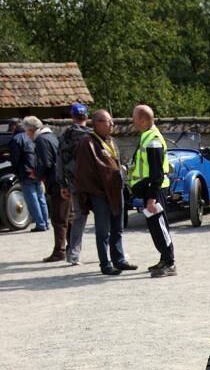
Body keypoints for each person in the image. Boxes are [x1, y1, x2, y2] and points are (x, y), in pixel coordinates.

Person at [74, 110, 137, 276]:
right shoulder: (87, 143)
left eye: (112, 121)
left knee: (118, 227)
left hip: (116, 190)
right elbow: (85, 171)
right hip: (100, 192)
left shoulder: (111, 140)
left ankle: (119, 259)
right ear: (96, 123)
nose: (112, 124)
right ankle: (105, 263)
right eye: (108, 121)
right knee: (103, 230)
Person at [129, 104, 176, 277]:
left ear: (143, 119)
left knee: (160, 227)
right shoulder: (146, 136)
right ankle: (164, 259)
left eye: (134, 118)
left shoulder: (153, 139)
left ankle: (170, 263)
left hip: (155, 191)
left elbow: (156, 172)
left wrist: (151, 197)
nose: (132, 122)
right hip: (151, 191)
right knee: (155, 228)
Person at [56, 103, 90, 265]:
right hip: (93, 183)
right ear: (87, 117)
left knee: (79, 218)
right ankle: (109, 253)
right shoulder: (92, 135)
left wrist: (62, 184)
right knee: (105, 217)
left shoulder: (64, 136)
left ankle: (74, 255)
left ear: (72, 117)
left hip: (74, 183)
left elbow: (60, 162)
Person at [31, 117, 69, 262]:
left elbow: (46, 163)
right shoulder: (53, 137)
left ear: (31, 130)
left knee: (59, 219)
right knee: (68, 217)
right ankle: (72, 247)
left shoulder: (41, 140)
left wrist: (37, 175)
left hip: (55, 182)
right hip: (63, 180)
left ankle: (60, 251)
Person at [16, 117, 48, 232]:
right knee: (41, 198)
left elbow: (16, 158)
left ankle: (40, 224)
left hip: (26, 172)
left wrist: (17, 171)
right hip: (37, 171)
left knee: (32, 199)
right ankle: (46, 222)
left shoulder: (17, 139)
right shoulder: (37, 138)